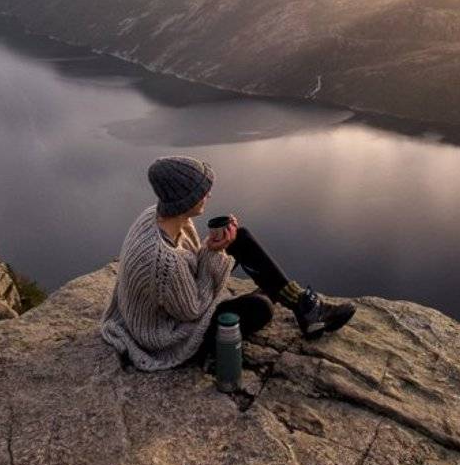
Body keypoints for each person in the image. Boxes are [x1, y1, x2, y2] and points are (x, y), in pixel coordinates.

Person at [100, 155, 355, 371]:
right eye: (201, 191)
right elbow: (192, 311)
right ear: (186, 199)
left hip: (172, 305)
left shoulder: (161, 216)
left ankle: (304, 308)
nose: (208, 194)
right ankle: (292, 303)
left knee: (239, 238)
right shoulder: (162, 260)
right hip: (164, 335)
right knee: (261, 307)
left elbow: (186, 268)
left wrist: (214, 247)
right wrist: (214, 254)